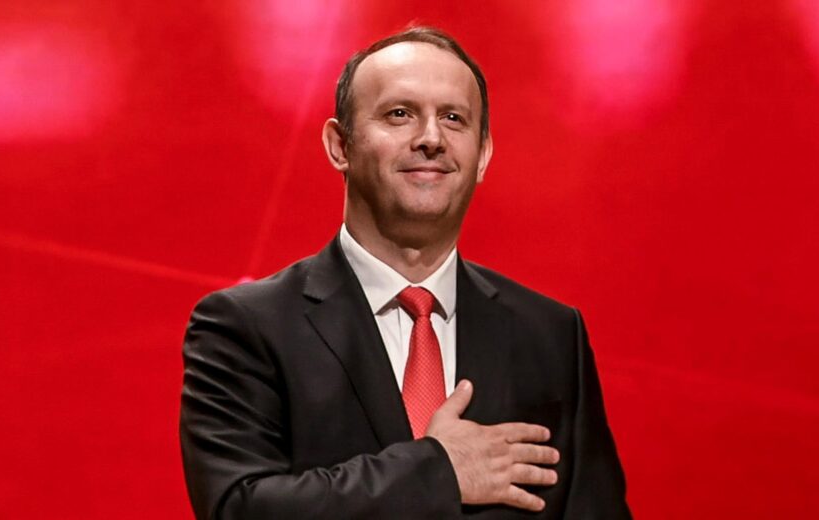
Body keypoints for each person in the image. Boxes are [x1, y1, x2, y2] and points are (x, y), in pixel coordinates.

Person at [180, 26, 630, 519]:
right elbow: (239, 508)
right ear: (340, 145)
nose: (431, 139)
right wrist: (438, 471)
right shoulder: (245, 326)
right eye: (400, 114)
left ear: (482, 155)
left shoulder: (550, 335)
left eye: (454, 118)